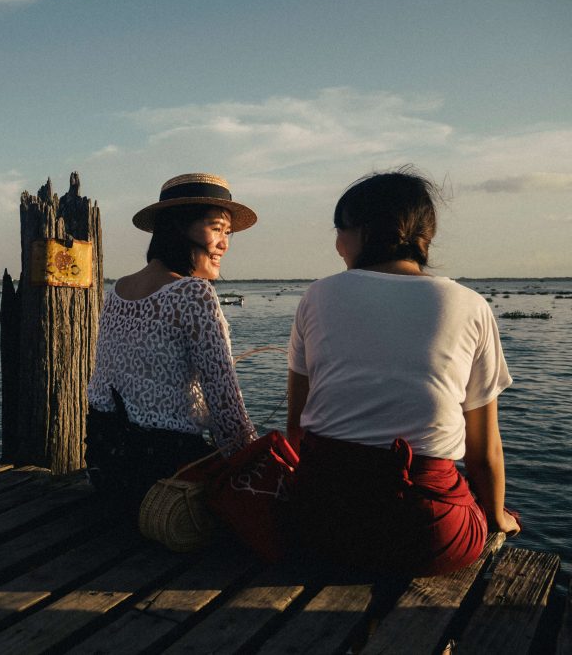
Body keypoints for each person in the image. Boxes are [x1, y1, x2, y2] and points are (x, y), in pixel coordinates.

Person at [286, 168, 520, 576]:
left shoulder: (318, 295)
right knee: (480, 510)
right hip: (429, 534)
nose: (337, 244)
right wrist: (497, 517)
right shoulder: (469, 305)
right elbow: (483, 452)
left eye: (340, 230)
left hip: (318, 524)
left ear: (362, 232)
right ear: (424, 238)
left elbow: (297, 428)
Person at [85, 173, 258, 512]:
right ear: (179, 228)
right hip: (166, 477)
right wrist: (254, 464)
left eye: (227, 232)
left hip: (108, 468)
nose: (225, 243)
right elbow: (226, 409)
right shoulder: (193, 294)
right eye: (215, 228)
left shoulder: (119, 290)